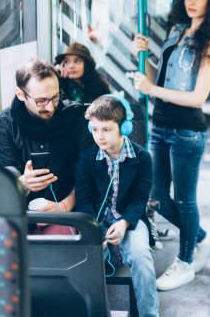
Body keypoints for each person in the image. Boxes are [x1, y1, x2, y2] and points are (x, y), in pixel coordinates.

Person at [131, 0, 210, 291]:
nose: (191, 1)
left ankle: (186, 261)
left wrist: (150, 89)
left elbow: (197, 97)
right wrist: (142, 59)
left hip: (186, 131)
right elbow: (161, 80)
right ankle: (203, 238)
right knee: (158, 196)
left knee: (185, 201)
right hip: (160, 124)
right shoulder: (177, 30)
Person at [74, 95, 159, 317]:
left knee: (141, 256)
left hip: (129, 219)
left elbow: (140, 200)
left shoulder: (142, 159)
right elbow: (83, 200)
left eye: (106, 129)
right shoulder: (87, 158)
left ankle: (149, 314)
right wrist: (93, 232)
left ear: (125, 127)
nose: (99, 136)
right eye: (94, 129)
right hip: (96, 220)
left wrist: (124, 223)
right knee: (87, 258)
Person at [0, 59, 92, 234]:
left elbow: (87, 173)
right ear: (20, 94)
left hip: (68, 208)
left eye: (55, 97)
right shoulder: (5, 125)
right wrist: (24, 184)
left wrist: (63, 207)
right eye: (41, 101)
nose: (50, 107)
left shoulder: (75, 117)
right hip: (20, 214)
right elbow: (4, 183)